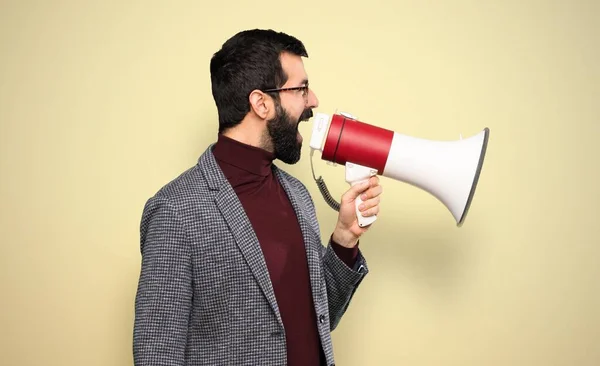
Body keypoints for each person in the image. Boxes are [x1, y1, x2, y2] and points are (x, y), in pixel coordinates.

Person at [133, 29, 383, 366]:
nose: (313, 101)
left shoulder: (297, 195)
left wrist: (344, 239)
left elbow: (319, 319)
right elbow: (157, 354)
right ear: (261, 103)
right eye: (301, 89)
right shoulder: (175, 211)